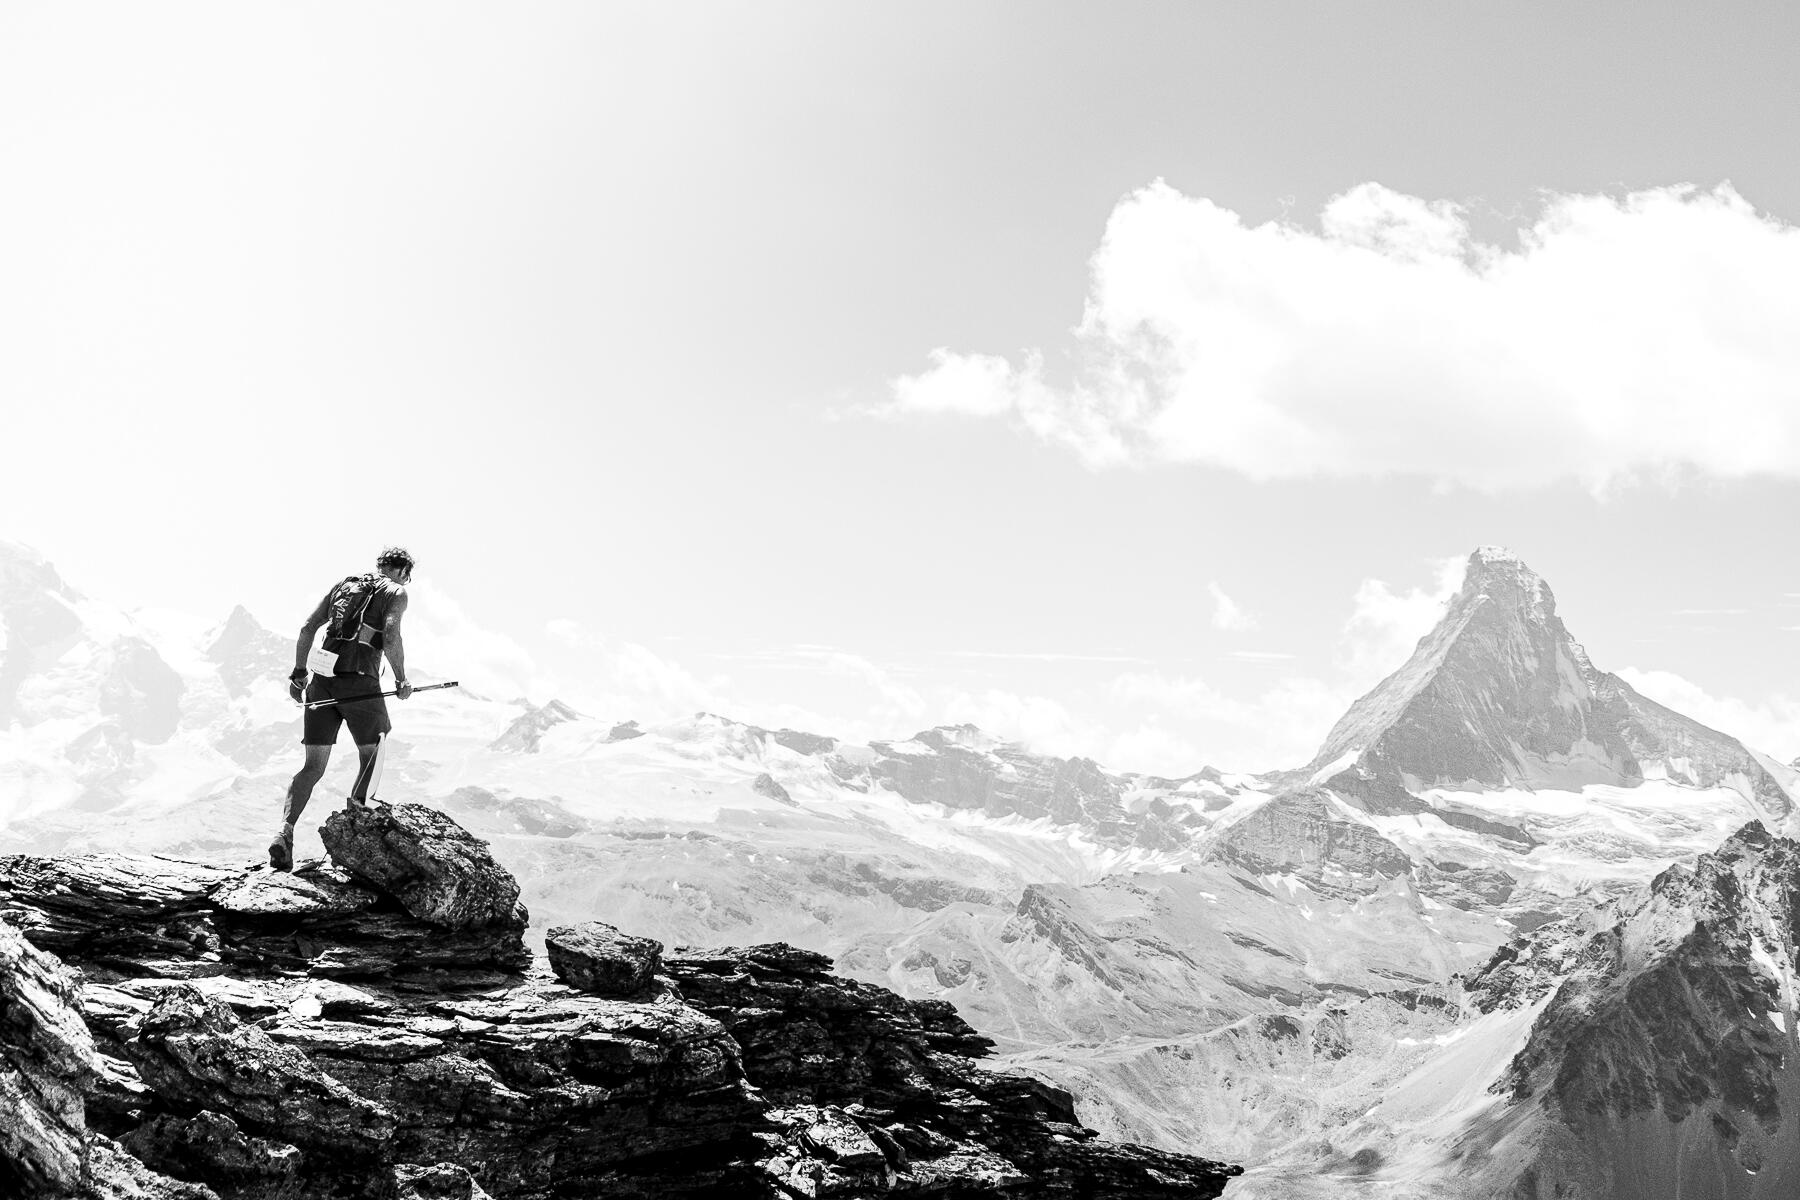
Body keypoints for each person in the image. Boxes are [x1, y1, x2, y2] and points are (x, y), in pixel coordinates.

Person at [269, 547, 417, 871]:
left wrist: (299, 674)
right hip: (359, 681)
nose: (407, 581)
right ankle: (354, 832)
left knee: (312, 767)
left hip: (322, 680)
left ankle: (285, 831)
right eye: (407, 576)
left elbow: (308, 628)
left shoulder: (344, 585)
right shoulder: (395, 592)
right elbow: (391, 636)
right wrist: (401, 679)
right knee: (373, 752)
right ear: (401, 571)